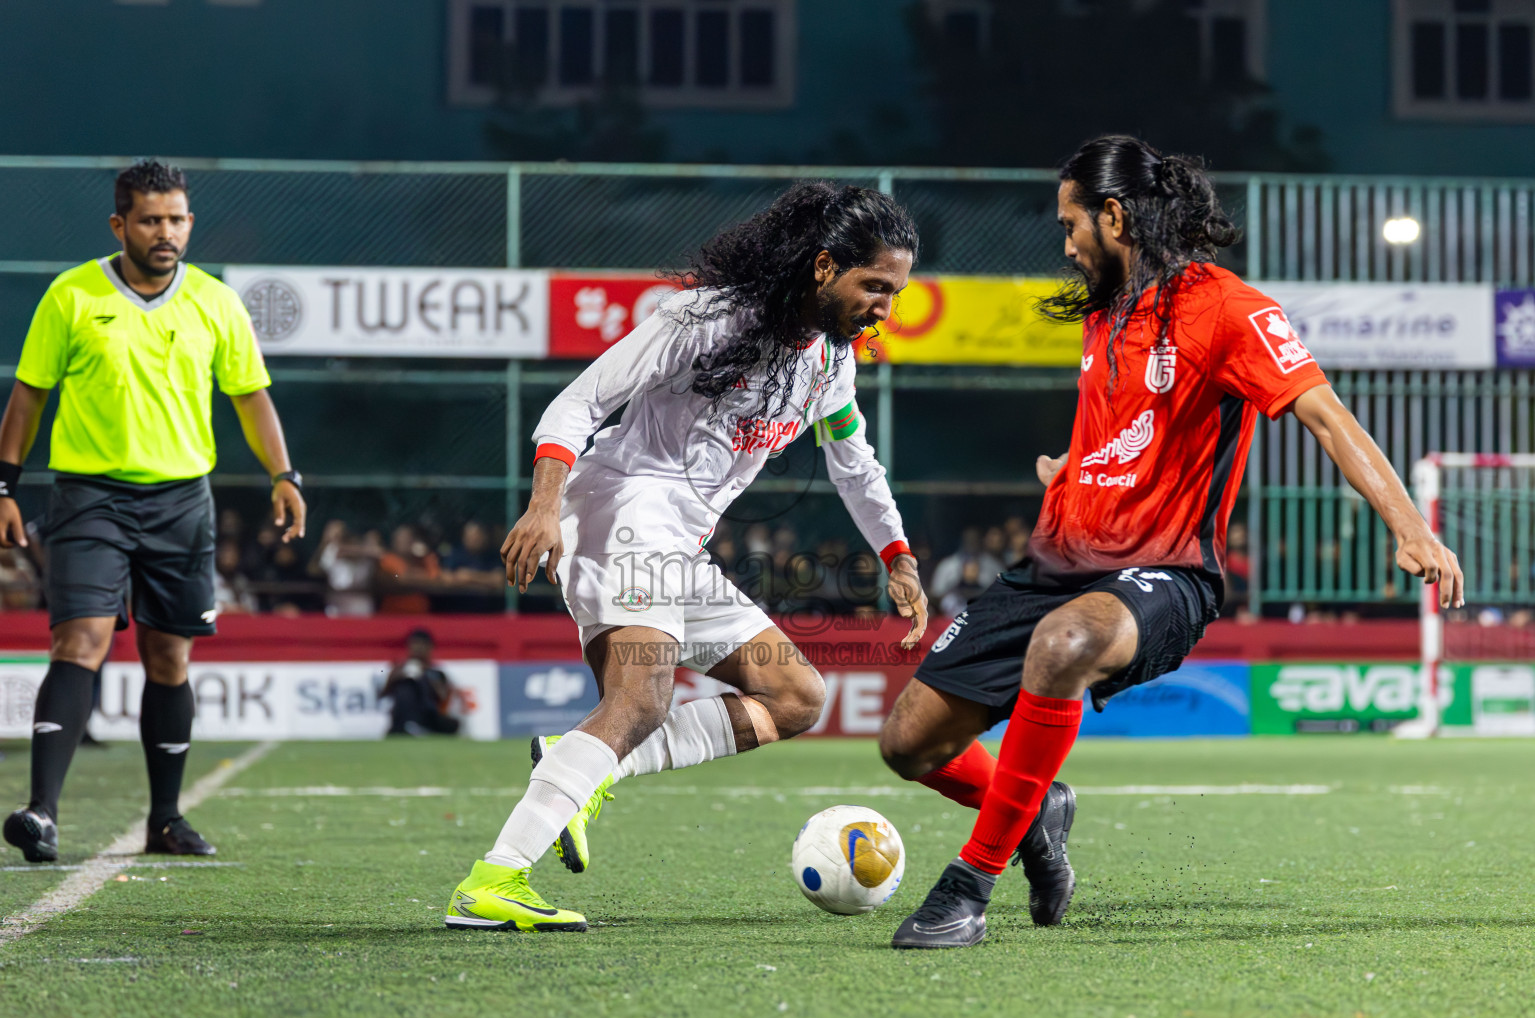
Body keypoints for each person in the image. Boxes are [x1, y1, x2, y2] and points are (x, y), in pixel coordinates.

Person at [879, 135, 1464, 949]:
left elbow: (1324, 414)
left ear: (1113, 216)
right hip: (1052, 564)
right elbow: (1124, 437)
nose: (1065, 243)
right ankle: (1035, 809)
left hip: (1163, 575)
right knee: (909, 743)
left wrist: (1411, 529)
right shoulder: (1106, 314)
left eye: (1070, 223)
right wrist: (1071, 472)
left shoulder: (1229, 308)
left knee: (1067, 642)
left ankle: (967, 885)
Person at [444, 182, 929, 933]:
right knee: (641, 700)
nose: (884, 308)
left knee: (796, 697)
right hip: (621, 511)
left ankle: (579, 764)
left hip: (678, 544)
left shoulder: (830, 362)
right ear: (824, 266)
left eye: (894, 293)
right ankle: (492, 881)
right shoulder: (703, 316)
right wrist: (544, 505)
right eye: (874, 287)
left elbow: (853, 461)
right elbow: (577, 404)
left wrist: (896, 554)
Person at [0, 160, 306, 863]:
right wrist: (4, 487)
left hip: (180, 503)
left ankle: (165, 820)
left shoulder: (215, 301)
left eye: (176, 219)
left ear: (189, 222)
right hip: (89, 496)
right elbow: (27, 396)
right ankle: (42, 812)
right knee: (79, 641)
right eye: (150, 220)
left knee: (168, 656)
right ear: (120, 225)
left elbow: (250, 395)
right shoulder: (71, 294)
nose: (165, 233)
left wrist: (283, 474)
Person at [381, 629, 461, 736]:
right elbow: (384, 695)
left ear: (430, 648)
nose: (417, 648)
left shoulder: (436, 673)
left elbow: (443, 698)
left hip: (428, 715)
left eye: (422, 644)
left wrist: (424, 675)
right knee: (406, 686)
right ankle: (411, 726)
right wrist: (400, 676)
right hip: (403, 716)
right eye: (414, 644)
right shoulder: (398, 669)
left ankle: (419, 727)